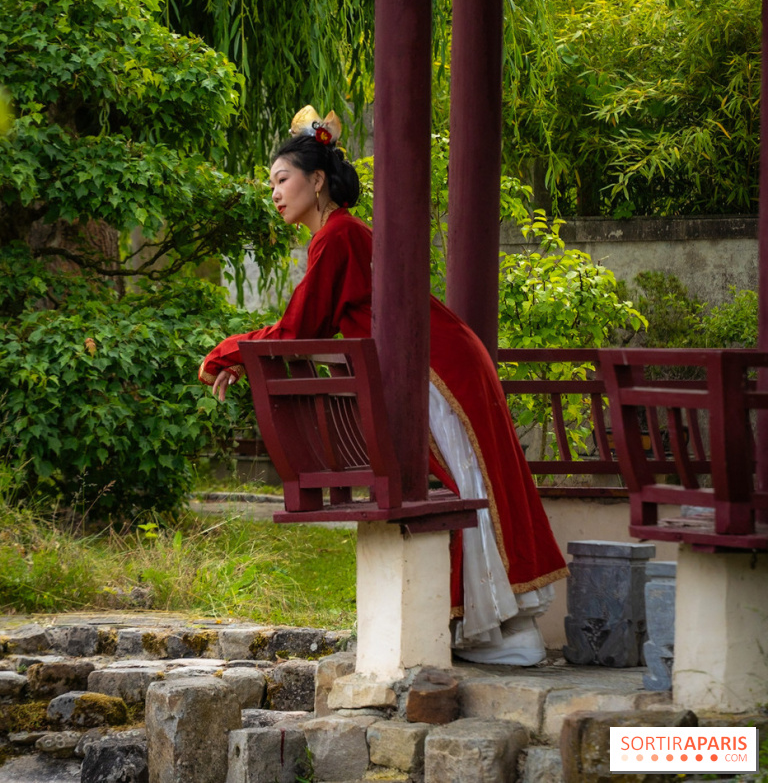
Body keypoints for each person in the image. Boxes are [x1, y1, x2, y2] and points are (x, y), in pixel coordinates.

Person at [199, 106, 568, 665]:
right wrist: (243, 354)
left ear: (316, 180)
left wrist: (227, 351)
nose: (273, 193)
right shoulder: (336, 236)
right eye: (271, 183)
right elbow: (308, 325)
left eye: (282, 180)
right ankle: (494, 627)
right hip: (440, 356)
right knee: (469, 476)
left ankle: (491, 628)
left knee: (463, 478)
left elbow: (300, 327)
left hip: (434, 365)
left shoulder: (339, 236)